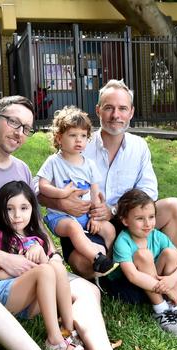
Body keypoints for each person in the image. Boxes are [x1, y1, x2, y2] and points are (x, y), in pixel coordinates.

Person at [0, 95, 123, 350]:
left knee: (87, 291)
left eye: (26, 128)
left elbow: (36, 225)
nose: (19, 133)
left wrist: (53, 253)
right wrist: (2, 259)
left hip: (22, 257)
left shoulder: (21, 170)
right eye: (13, 123)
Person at [39, 79, 177, 284]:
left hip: (127, 220)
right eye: (109, 108)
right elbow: (37, 190)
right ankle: (116, 274)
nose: (115, 115)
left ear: (131, 112)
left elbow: (149, 190)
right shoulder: (79, 142)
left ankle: (164, 274)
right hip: (87, 226)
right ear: (98, 110)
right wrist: (61, 202)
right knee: (85, 263)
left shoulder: (139, 147)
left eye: (122, 108)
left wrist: (114, 210)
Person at [0, 181, 91, 350]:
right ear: (0, 211)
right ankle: (55, 340)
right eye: (9, 209)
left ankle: (67, 328)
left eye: (23, 208)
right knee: (45, 270)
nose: (17, 215)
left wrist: (42, 254)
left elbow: (50, 274)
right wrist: (25, 269)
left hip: (35, 302)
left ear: (32, 209)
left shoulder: (37, 237)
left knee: (57, 266)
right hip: (9, 295)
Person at [37, 106, 118, 277]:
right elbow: (42, 186)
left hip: (86, 215)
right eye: (72, 135)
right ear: (59, 138)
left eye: (83, 136)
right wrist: (62, 193)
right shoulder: (53, 162)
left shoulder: (89, 164)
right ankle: (96, 258)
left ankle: (109, 263)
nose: (78, 140)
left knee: (109, 229)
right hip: (60, 217)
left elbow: (95, 194)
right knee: (74, 228)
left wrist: (95, 217)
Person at [113, 189, 177, 337]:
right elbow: (132, 276)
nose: (147, 224)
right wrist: (167, 289)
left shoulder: (157, 236)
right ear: (125, 220)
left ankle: (174, 309)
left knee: (171, 254)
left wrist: (171, 280)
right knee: (143, 255)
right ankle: (161, 310)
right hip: (132, 288)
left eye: (151, 217)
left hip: (155, 284)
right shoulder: (123, 241)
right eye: (140, 218)